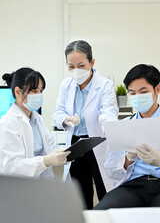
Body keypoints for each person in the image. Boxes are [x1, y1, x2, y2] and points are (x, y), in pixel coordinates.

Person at [53, 40, 118, 209]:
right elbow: (58, 112)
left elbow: (108, 111)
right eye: (71, 66)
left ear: (92, 62)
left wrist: (109, 127)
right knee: (80, 196)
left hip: (97, 142)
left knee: (105, 191)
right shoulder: (66, 85)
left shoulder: (105, 85)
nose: (76, 71)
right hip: (76, 144)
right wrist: (65, 119)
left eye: (81, 65)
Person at [94, 64, 160, 209]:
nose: (137, 97)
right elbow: (112, 170)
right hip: (133, 187)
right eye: (133, 93)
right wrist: (127, 160)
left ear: (157, 89)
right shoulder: (123, 125)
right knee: (100, 212)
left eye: (143, 91)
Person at [0, 67, 70, 180]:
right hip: (22, 189)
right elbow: (11, 167)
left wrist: (65, 153)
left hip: (43, 184)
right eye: (34, 91)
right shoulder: (8, 123)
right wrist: (45, 161)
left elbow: (49, 147)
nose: (39, 95)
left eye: (41, 91)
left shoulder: (37, 118)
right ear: (18, 92)